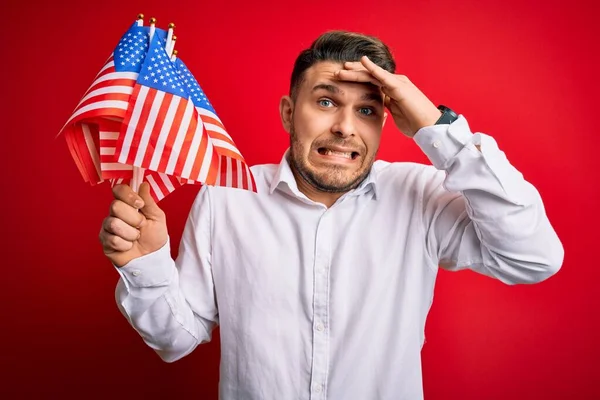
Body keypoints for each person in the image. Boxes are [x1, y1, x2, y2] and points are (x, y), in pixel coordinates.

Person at [99, 31, 564, 400]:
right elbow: (175, 339)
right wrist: (146, 265)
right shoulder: (227, 197)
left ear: (387, 121)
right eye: (325, 102)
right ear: (288, 112)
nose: (344, 127)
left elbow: (534, 257)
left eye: (366, 109)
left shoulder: (421, 194)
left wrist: (437, 128)